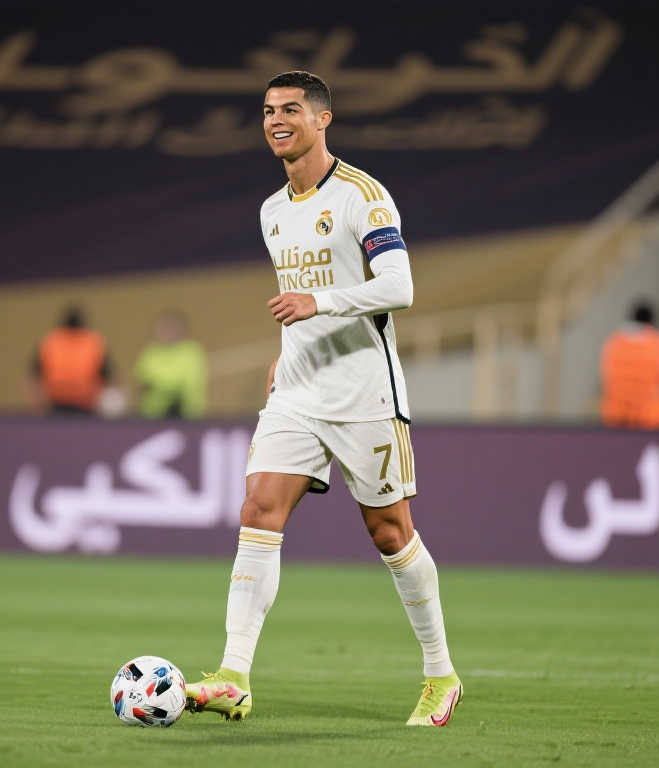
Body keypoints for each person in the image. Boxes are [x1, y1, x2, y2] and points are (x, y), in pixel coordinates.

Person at [184, 71, 461, 727]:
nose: (276, 121)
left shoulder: (364, 196)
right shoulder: (271, 211)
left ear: (322, 119)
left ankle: (440, 674)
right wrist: (287, 349)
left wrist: (320, 303)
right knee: (259, 508)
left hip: (365, 393)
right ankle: (234, 675)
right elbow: (298, 297)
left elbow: (398, 287)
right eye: (267, 111)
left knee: (390, 533)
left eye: (290, 109)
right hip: (298, 392)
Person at [599, 300, 659, 429]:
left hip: (616, 416)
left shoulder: (613, 342)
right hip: (649, 418)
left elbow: (605, 377)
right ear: (652, 321)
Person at [29, 305, 112, 416]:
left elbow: (34, 376)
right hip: (83, 404)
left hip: (58, 404)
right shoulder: (92, 342)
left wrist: (38, 402)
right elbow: (107, 377)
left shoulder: (52, 341)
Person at [132, 310, 208, 419]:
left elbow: (189, 384)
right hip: (153, 414)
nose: (167, 332)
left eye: (171, 328)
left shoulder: (191, 352)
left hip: (187, 415)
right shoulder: (150, 353)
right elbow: (143, 381)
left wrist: (160, 389)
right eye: (163, 327)